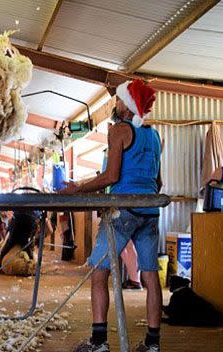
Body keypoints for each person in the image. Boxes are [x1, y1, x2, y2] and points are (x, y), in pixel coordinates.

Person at [60, 79, 163, 352]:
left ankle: (99, 341)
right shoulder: (154, 136)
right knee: (151, 277)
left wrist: (79, 188)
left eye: (118, 100)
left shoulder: (119, 130)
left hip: (122, 209)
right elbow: (158, 182)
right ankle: (153, 344)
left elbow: (111, 176)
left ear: (126, 106)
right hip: (150, 210)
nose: (115, 105)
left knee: (100, 272)